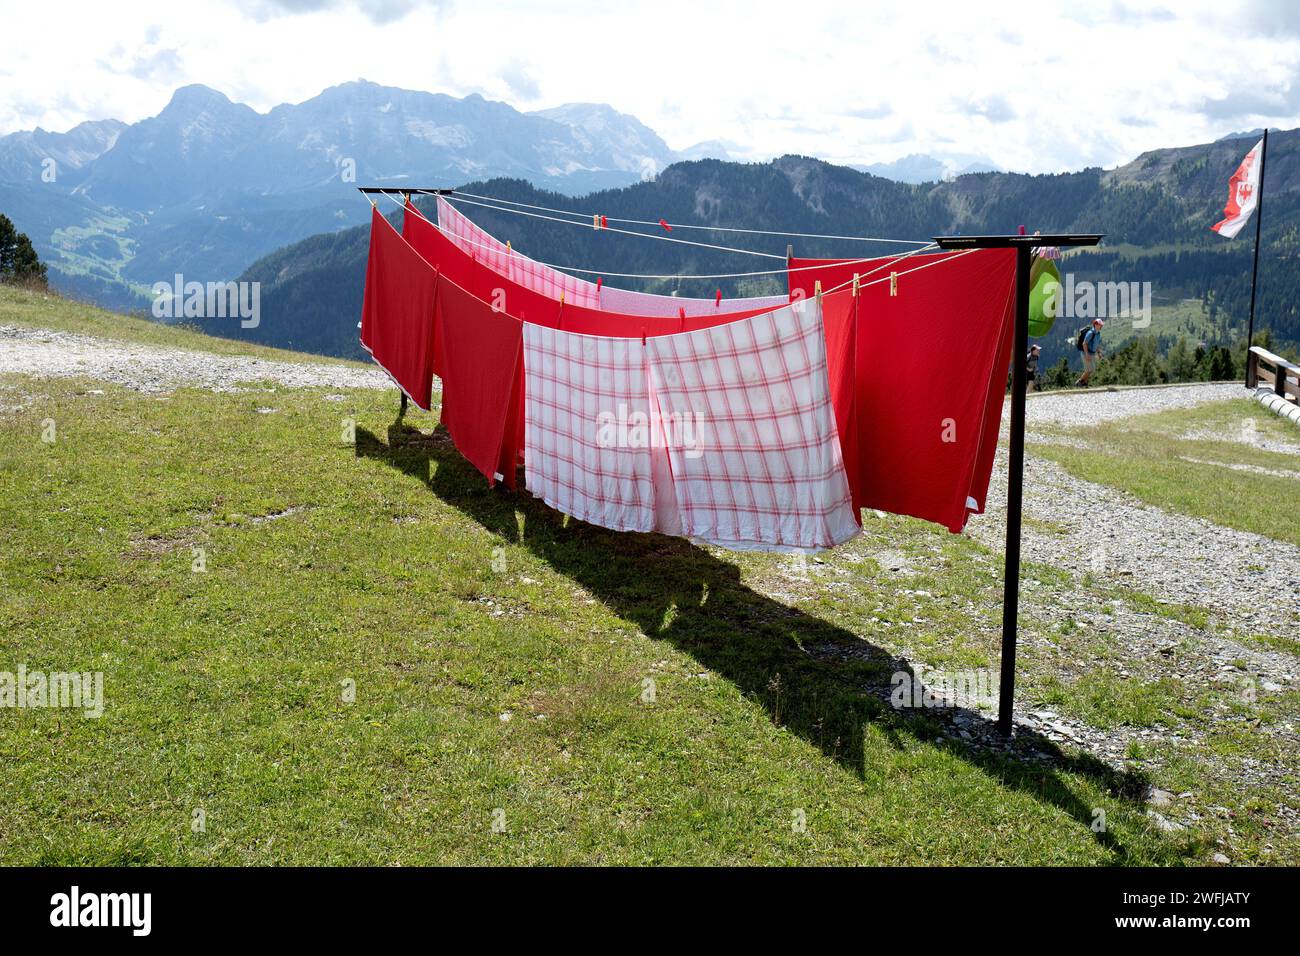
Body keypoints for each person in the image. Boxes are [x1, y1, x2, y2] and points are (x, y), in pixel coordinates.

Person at [1075, 318, 1104, 386]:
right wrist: (1086, 354)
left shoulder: (1098, 334)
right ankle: (1080, 382)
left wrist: (1099, 353)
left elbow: (1096, 345)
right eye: (1100, 325)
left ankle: (1084, 382)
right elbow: (1084, 343)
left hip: (1092, 353)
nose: (1101, 326)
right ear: (1096, 325)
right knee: (1089, 369)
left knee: (1092, 369)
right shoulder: (1090, 333)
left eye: (1101, 325)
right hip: (1086, 352)